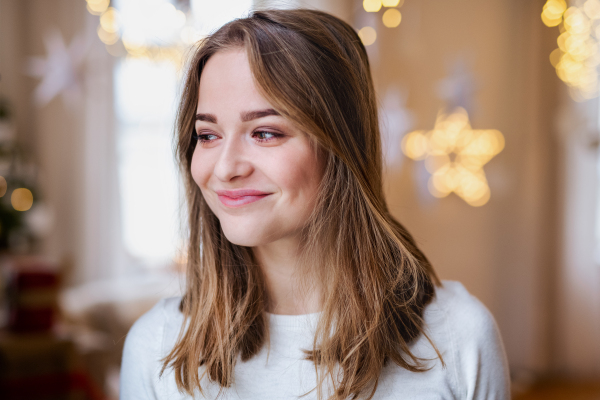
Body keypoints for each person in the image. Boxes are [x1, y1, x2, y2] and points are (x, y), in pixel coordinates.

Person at [120, 9, 510, 400]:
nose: (224, 168)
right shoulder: (157, 348)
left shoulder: (459, 338)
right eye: (207, 135)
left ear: (340, 145)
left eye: (265, 133)